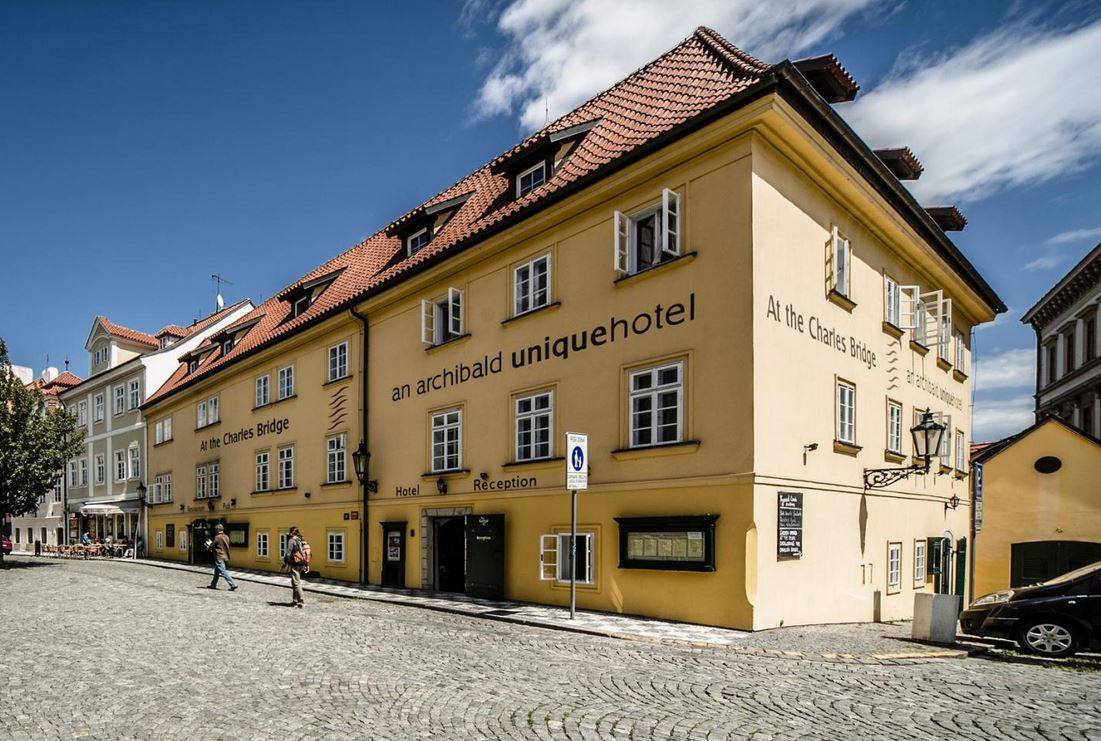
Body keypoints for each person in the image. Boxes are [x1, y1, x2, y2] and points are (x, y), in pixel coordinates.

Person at [207, 524, 238, 591]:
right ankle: (213, 584)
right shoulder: (226, 537)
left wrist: (209, 546)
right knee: (216, 572)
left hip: (219, 556)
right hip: (225, 556)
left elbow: (212, 546)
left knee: (223, 571)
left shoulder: (217, 537)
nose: (215, 531)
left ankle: (233, 584)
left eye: (216, 530)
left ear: (217, 530)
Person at [283, 526, 306, 608]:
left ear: (291, 532)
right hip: (301, 563)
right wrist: (306, 564)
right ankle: (295, 600)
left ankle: (301, 601)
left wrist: (285, 562)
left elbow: (288, 553)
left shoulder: (292, 541)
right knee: (295, 582)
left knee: (296, 583)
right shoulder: (300, 540)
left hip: (295, 563)